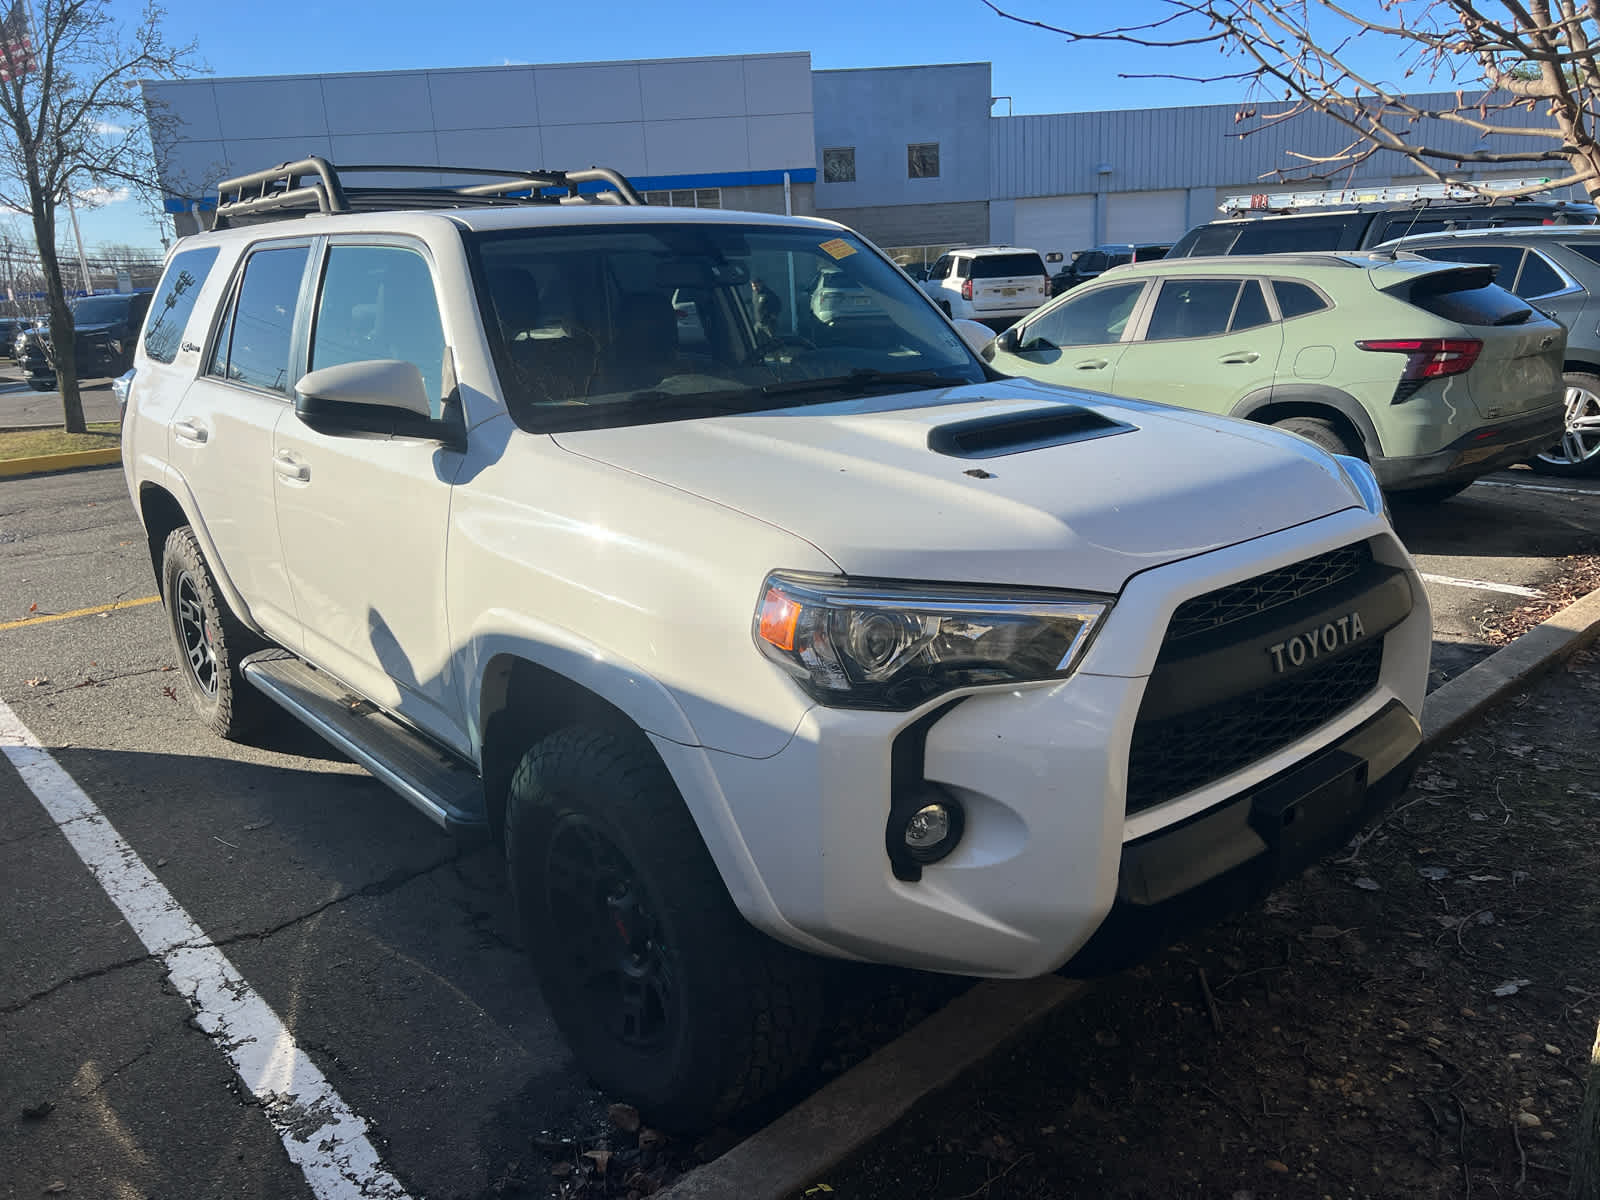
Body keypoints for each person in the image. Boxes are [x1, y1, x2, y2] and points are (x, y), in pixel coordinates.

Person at [750, 277, 782, 341]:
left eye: (756, 286)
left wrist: (774, 315)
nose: (755, 288)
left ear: (761, 284)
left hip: (768, 324)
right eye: (753, 286)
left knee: (773, 342)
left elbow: (778, 304)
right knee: (754, 340)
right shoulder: (754, 293)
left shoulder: (769, 294)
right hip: (758, 323)